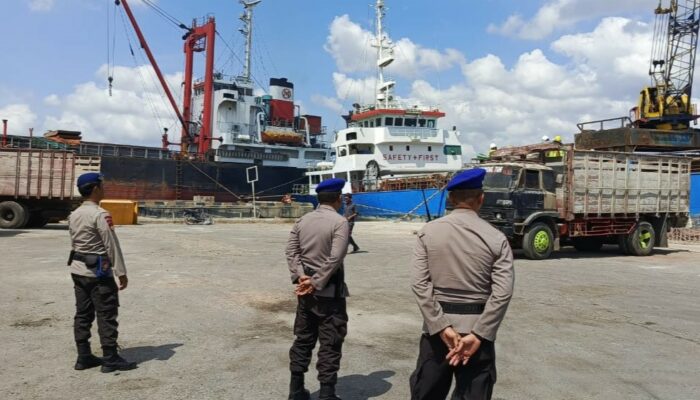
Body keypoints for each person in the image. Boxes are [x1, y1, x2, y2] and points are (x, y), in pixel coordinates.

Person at [409, 168, 515, 400]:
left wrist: (441, 326)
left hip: (437, 334)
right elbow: (502, 293)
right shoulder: (496, 238)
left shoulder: (427, 233)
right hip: (477, 333)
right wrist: (479, 334)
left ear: (450, 199)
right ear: (481, 198)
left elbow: (419, 284)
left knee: (426, 392)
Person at [285, 178, 351, 400]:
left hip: (305, 294)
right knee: (330, 342)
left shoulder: (302, 220)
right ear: (338, 198)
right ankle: (326, 394)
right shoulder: (340, 222)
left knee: (303, 339)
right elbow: (335, 258)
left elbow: (291, 252)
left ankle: (295, 391)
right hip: (329, 294)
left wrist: (302, 277)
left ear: (318, 198)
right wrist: (315, 281)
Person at [68, 172, 137, 373]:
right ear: (96, 188)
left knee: (82, 314)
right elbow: (111, 245)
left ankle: (83, 356)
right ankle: (110, 358)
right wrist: (121, 272)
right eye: (102, 185)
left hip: (78, 270)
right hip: (99, 274)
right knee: (106, 314)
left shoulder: (74, 214)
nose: (104, 188)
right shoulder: (100, 214)